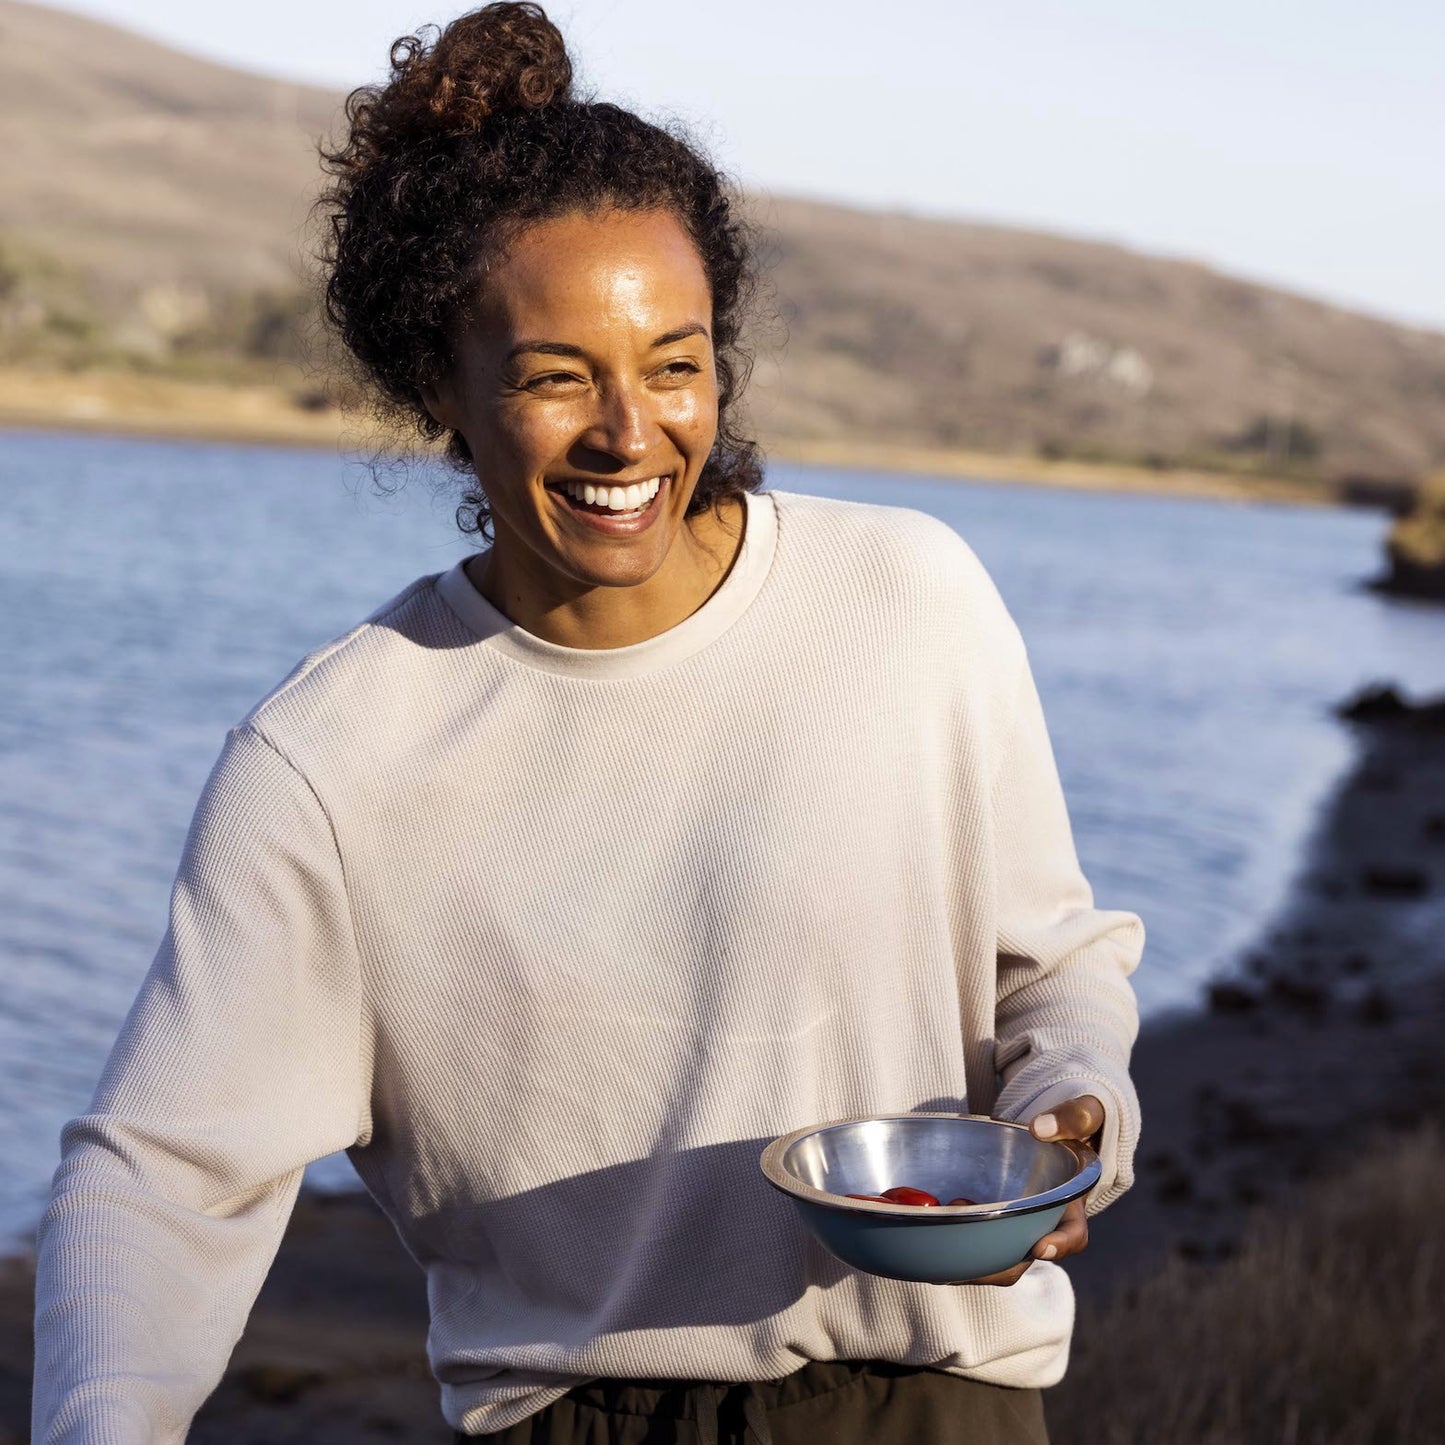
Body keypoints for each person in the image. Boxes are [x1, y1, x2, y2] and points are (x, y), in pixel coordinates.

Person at [30, 5, 1143, 1442]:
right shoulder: (332, 758)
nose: (631, 432)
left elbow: (1050, 967)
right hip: (572, 1417)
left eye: (673, 363)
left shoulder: (904, 599)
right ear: (443, 386)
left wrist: (1071, 1120)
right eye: (558, 376)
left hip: (942, 1411)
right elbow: (164, 1171)